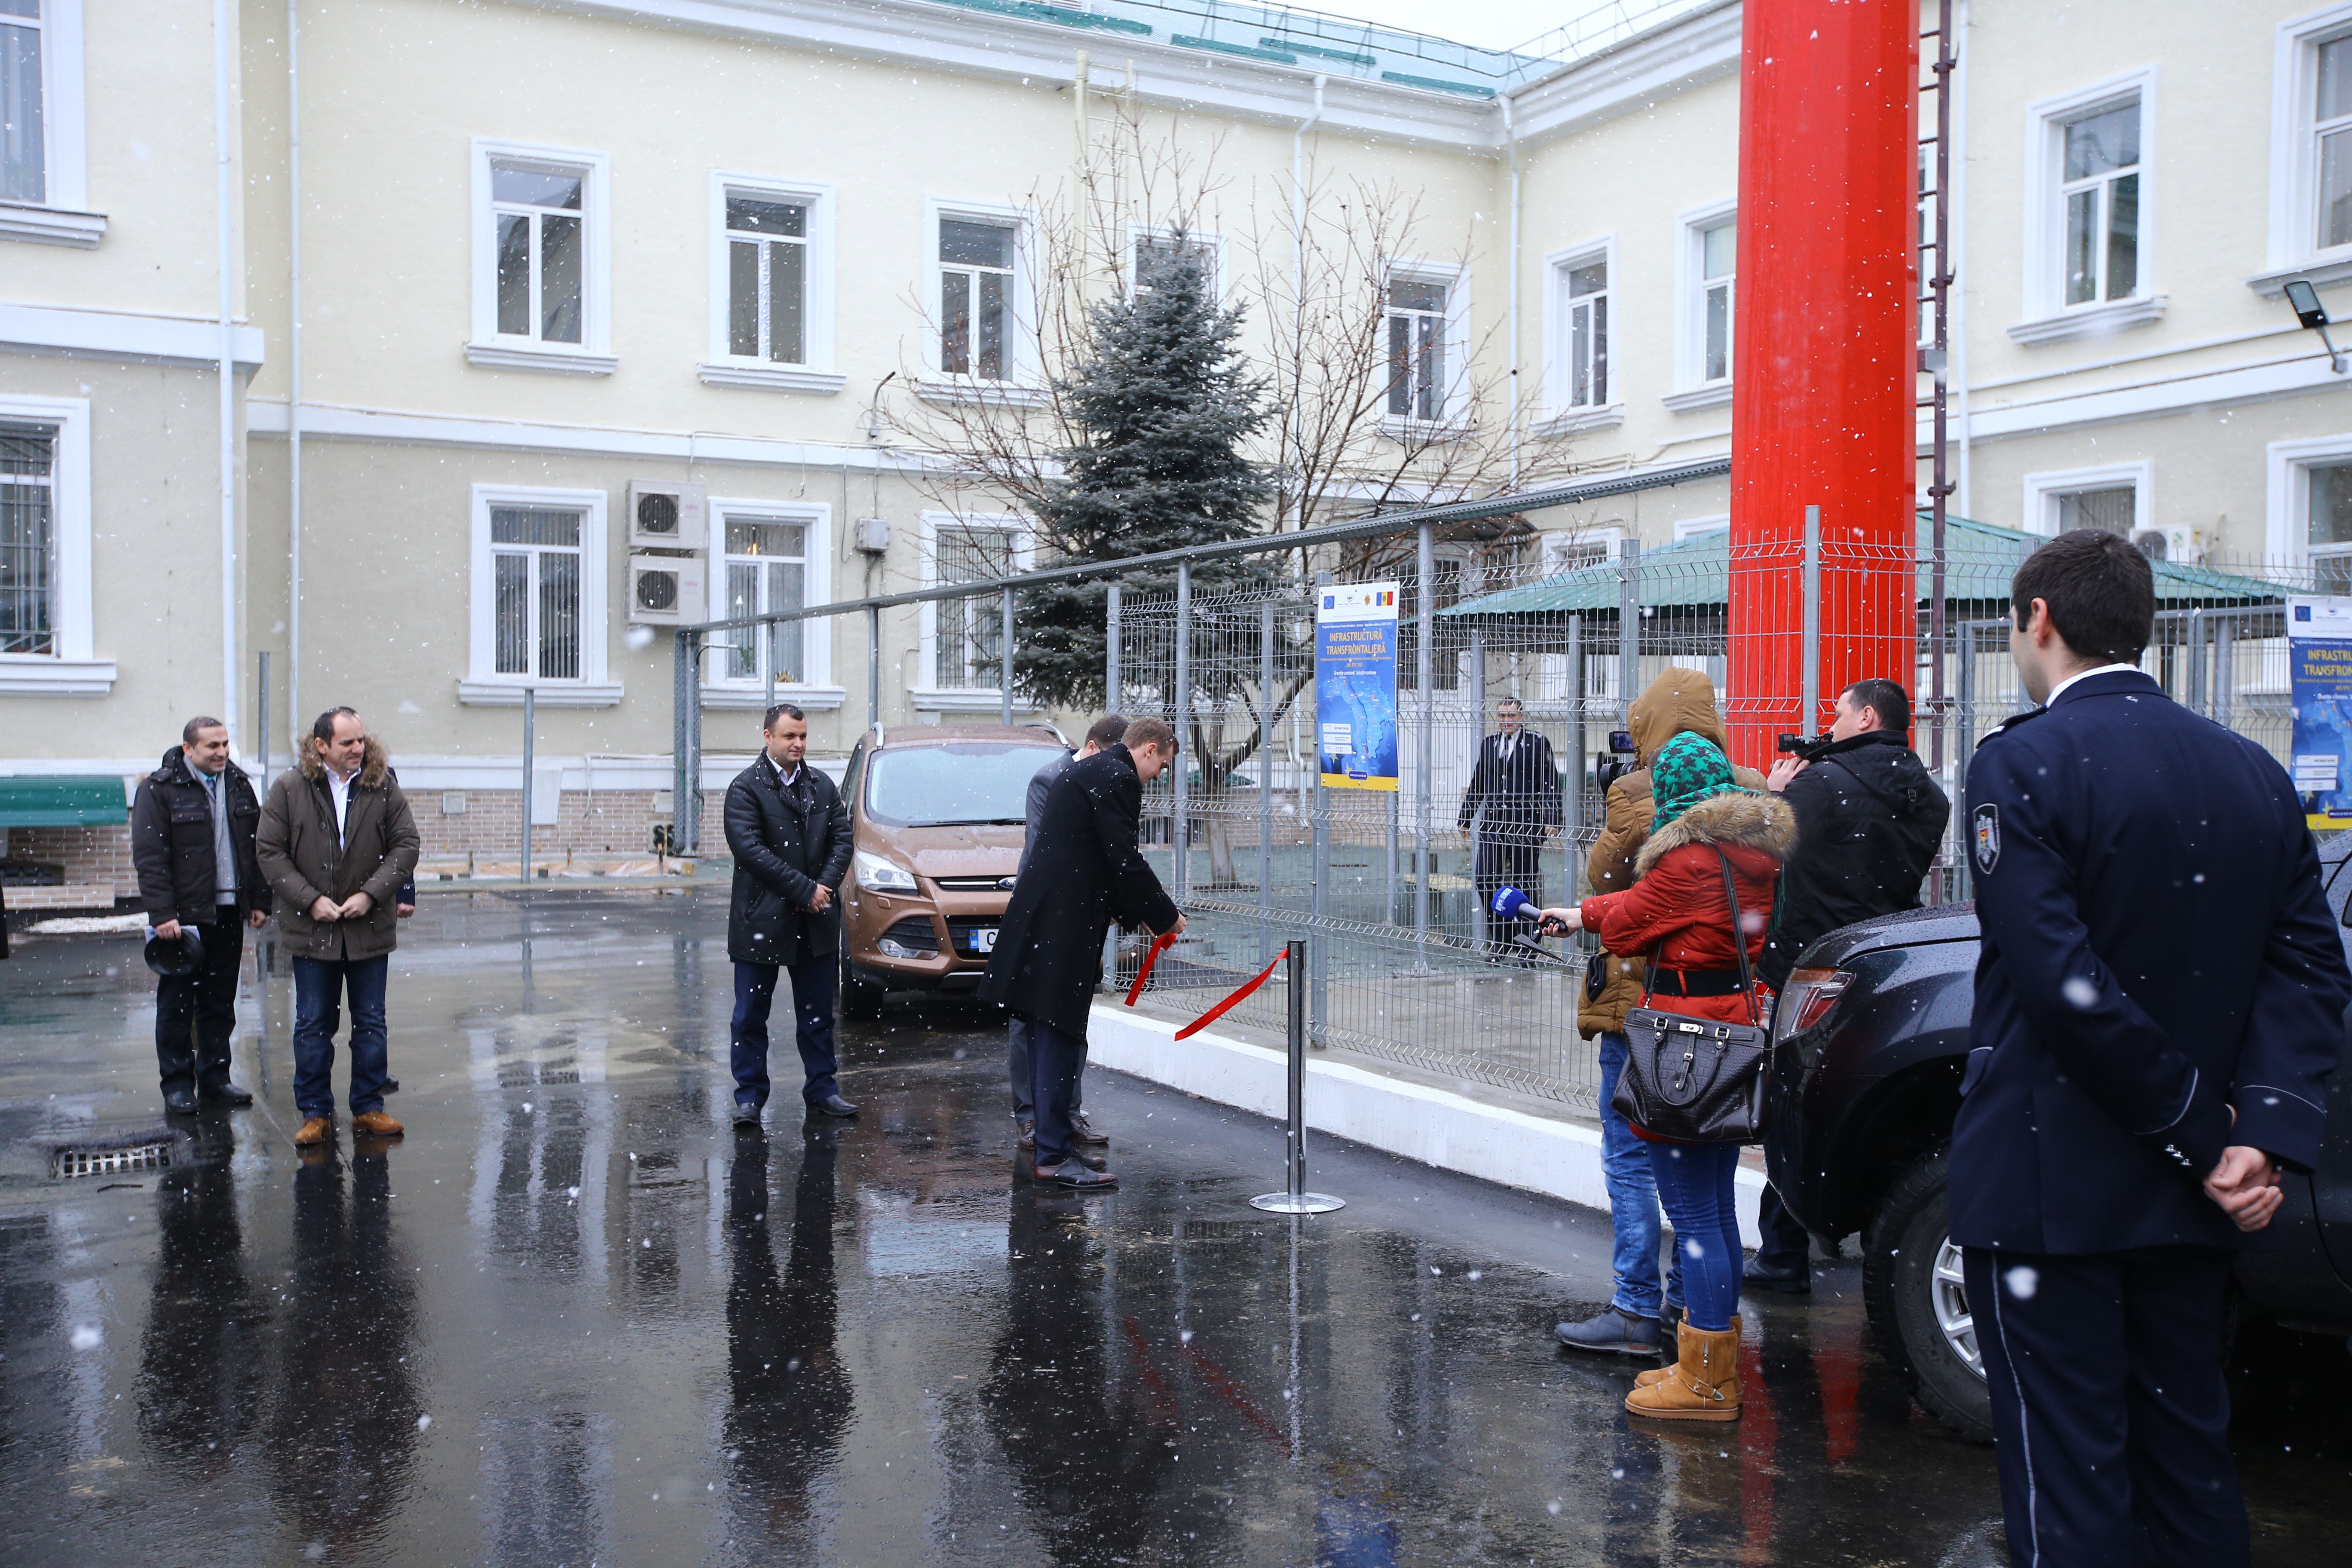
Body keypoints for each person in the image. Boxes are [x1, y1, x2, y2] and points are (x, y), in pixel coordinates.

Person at [1956, 529, 2349, 1566]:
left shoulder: (2020, 763)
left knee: (2068, 1487)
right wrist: (2256, 1135)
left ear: (2038, 620)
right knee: (2186, 1470)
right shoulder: (2249, 769)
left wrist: (2203, 1134)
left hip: (2054, 1191)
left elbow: (2060, 983)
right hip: (2192, 1206)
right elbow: (2308, 968)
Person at [1540, 729, 1793, 1421]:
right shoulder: (1752, 852)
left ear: (1676, 796)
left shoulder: (1691, 859)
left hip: (1686, 1042)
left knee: (1694, 1215)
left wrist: (1581, 916)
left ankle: (1706, 1384)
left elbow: (1629, 922)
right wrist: (1590, 915)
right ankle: (1705, 1365)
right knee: (1715, 1210)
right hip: (1730, 1027)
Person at [1556, 667, 1764, 1356]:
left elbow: (1610, 890)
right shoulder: (1754, 795)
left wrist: (1623, 812)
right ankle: (1692, 1312)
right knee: (1712, 1194)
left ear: (1648, 724)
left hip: (1657, 1013)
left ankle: (1639, 1310)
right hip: (1732, 1016)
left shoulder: (1641, 796)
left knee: (1639, 1165)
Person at [1749, 677, 1950, 1292]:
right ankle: (1878, 1245)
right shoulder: (1930, 797)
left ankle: (1782, 1256)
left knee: (1794, 1105)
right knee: (1858, 1100)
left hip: (1813, 968)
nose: (1829, 725)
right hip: (1888, 963)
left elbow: (1761, 853)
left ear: (1866, 718)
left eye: (1838, 714)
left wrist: (1776, 795)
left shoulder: (1821, 785)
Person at [981, 716, 1184, 1191]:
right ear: (1149, 750)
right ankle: (1054, 1157)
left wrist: (1129, 911)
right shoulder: (1118, 778)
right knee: (1059, 1038)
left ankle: (1054, 1144)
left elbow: (1092, 855)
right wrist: (1165, 916)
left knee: (1045, 1038)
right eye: (1162, 766)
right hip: (1062, 928)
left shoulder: (1086, 771)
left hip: (1044, 920)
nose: (1158, 776)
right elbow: (1123, 859)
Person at [256, 708, 420, 1145]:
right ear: (321, 746)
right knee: (313, 1024)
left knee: (371, 1022)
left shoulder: (382, 785)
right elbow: (270, 852)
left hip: (369, 927)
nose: (358, 749)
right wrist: (310, 900)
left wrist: (371, 894)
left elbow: (406, 845)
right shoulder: (290, 788)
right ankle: (315, 1113)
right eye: (347, 742)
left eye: (361, 740)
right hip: (313, 930)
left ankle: (368, 1108)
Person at [724, 702, 857, 1126]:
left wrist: (822, 890)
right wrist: (804, 890)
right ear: (768, 737)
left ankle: (822, 1090)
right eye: (789, 736)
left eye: (802, 736)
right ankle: (750, 1098)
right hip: (760, 920)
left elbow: (843, 840)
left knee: (818, 1016)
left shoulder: (821, 785)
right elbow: (751, 851)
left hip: (813, 920)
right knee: (750, 1016)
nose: (798, 744)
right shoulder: (746, 788)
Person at [130, 716, 268, 1115]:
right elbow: (151, 859)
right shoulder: (159, 790)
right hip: (184, 919)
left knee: (220, 1001)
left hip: (229, 911)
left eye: (225, 744)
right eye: (213, 746)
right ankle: (177, 1084)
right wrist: (163, 914)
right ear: (189, 749)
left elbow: (256, 848)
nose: (222, 752)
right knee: (177, 1004)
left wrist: (259, 900)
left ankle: (215, 1078)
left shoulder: (239, 785)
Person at [1009, 713, 1129, 1152]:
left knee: (1071, 1016)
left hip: (1082, 914)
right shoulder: (1051, 779)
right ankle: (1031, 1116)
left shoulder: (1107, 780)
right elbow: (1049, 851)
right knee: (1030, 1018)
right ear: (1094, 749)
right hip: (1045, 914)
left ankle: (1067, 1112)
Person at [1459, 696, 1563, 959]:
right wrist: (1466, 817)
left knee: (1523, 882)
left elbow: (1549, 782)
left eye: (1512, 716)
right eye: (1502, 716)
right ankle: (1502, 939)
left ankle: (1528, 944)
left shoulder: (1537, 743)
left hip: (1526, 825)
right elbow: (1479, 782)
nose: (1506, 721)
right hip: (1494, 825)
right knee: (1485, 879)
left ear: (1521, 718)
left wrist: (1552, 818)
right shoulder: (1490, 744)